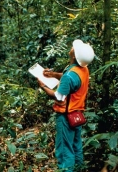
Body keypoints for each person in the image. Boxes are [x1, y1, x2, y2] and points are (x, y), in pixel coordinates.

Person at [38, 39, 95, 171]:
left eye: (74, 48)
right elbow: (68, 76)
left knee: (64, 150)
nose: (72, 48)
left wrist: (43, 86)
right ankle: (79, 169)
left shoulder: (69, 76)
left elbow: (59, 97)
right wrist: (52, 75)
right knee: (76, 146)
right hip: (77, 114)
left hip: (66, 116)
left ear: (75, 55)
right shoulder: (83, 69)